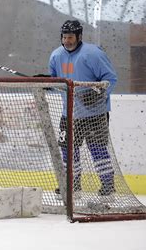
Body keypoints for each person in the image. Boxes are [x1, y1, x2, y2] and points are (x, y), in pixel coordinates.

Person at [48, 20, 118, 197]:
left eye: (70, 37)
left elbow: (111, 78)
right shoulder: (56, 56)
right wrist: (45, 82)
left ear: (79, 36)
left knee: (97, 149)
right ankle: (73, 185)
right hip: (68, 114)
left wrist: (98, 94)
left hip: (94, 114)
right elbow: (57, 82)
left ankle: (108, 187)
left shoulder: (93, 54)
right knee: (67, 150)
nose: (67, 41)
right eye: (64, 37)